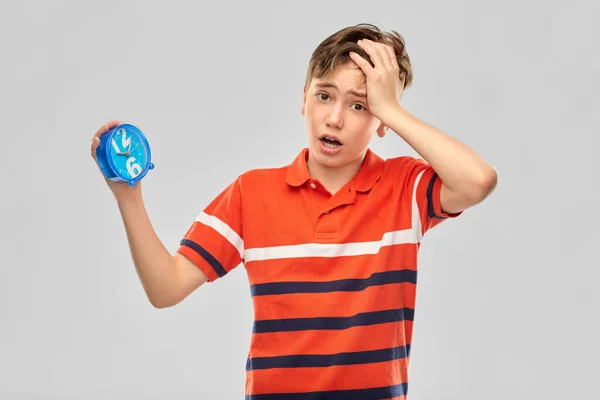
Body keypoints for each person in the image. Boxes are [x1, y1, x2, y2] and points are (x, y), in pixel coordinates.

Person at [90, 23, 497, 399]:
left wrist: (392, 108)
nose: (334, 118)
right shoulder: (252, 193)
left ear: (382, 121)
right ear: (304, 98)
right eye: (324, 96)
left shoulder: (405, 188)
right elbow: (166, 287)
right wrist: (128, 194)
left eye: (359, 106)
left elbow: (477, 180)